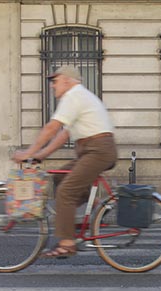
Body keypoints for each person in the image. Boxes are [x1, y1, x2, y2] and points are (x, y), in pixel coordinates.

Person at [13, 65, 118, 258]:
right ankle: (96, 209)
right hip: (91, 151)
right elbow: (63, 134)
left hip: (98, 151)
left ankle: (67, 243)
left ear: (68, 80)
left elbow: (52, 128)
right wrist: (40, 155)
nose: (52, 86)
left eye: (55, 81)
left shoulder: (74, 95)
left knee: (65, 192)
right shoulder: (78, 97)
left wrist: (28, 152)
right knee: (61, 180)